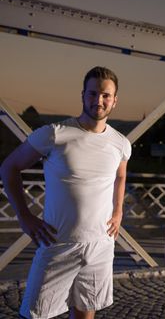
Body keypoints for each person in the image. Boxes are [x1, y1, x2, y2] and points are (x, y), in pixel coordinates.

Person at [0, 66, 131, 319]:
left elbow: (120, 175)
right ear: (83, 95)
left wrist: (118, 211)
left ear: (115, 100)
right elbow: (9, 168)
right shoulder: (55, 134)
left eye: (105, 95)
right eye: (93, 94)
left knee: (85, 312)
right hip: (57, 244)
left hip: (101, 245)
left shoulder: (121, 143)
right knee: (35, 314)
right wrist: (24, 216)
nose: (98, 101)